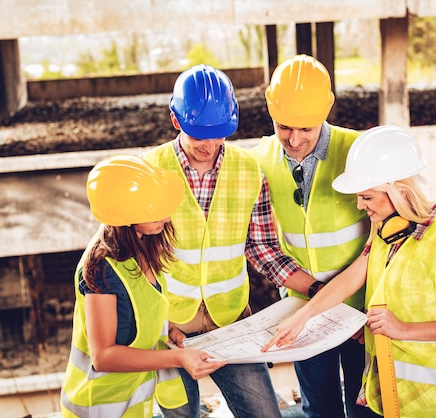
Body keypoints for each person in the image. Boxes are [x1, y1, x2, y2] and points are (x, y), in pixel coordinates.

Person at [263, 125, 436, 417]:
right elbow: (352, 277)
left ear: (399, 192)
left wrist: (402, 329)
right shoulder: (386, 232)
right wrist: (303, 317)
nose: (360, 205)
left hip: (434, 404)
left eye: (368, 197)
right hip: (383, 388)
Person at [143, 64, 323, 418]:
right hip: (167, 327)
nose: (209, 146)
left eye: (219, 135)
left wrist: (317, 290)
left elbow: (264, 250)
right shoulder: (152, 171)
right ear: (176, 120)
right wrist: (162, 326)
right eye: (199, 135)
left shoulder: (248, 169)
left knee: (263, 414)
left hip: (232, 321)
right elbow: (137, 262)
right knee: (180, 415)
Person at [252, 54, 375, 418]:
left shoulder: (357, 151)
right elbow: (262, 244)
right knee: (319, 407)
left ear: (326, 111)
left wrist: (363, 305)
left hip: (362, 308)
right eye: (284, 126)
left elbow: (385, 237)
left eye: (306, 128)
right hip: (302, 307)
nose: (294, 139)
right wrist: (314, 297)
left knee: (367, 404)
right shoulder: (260, 158)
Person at [60, 155, 226, 418]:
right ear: (126, 215)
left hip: (132, 401)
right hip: (100, 406)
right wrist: (178, 358)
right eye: (154, 209)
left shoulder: (141, 245)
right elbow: (104, 356)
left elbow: (141, 309)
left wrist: (168, 329)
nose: (167, 216)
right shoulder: (102, 266)